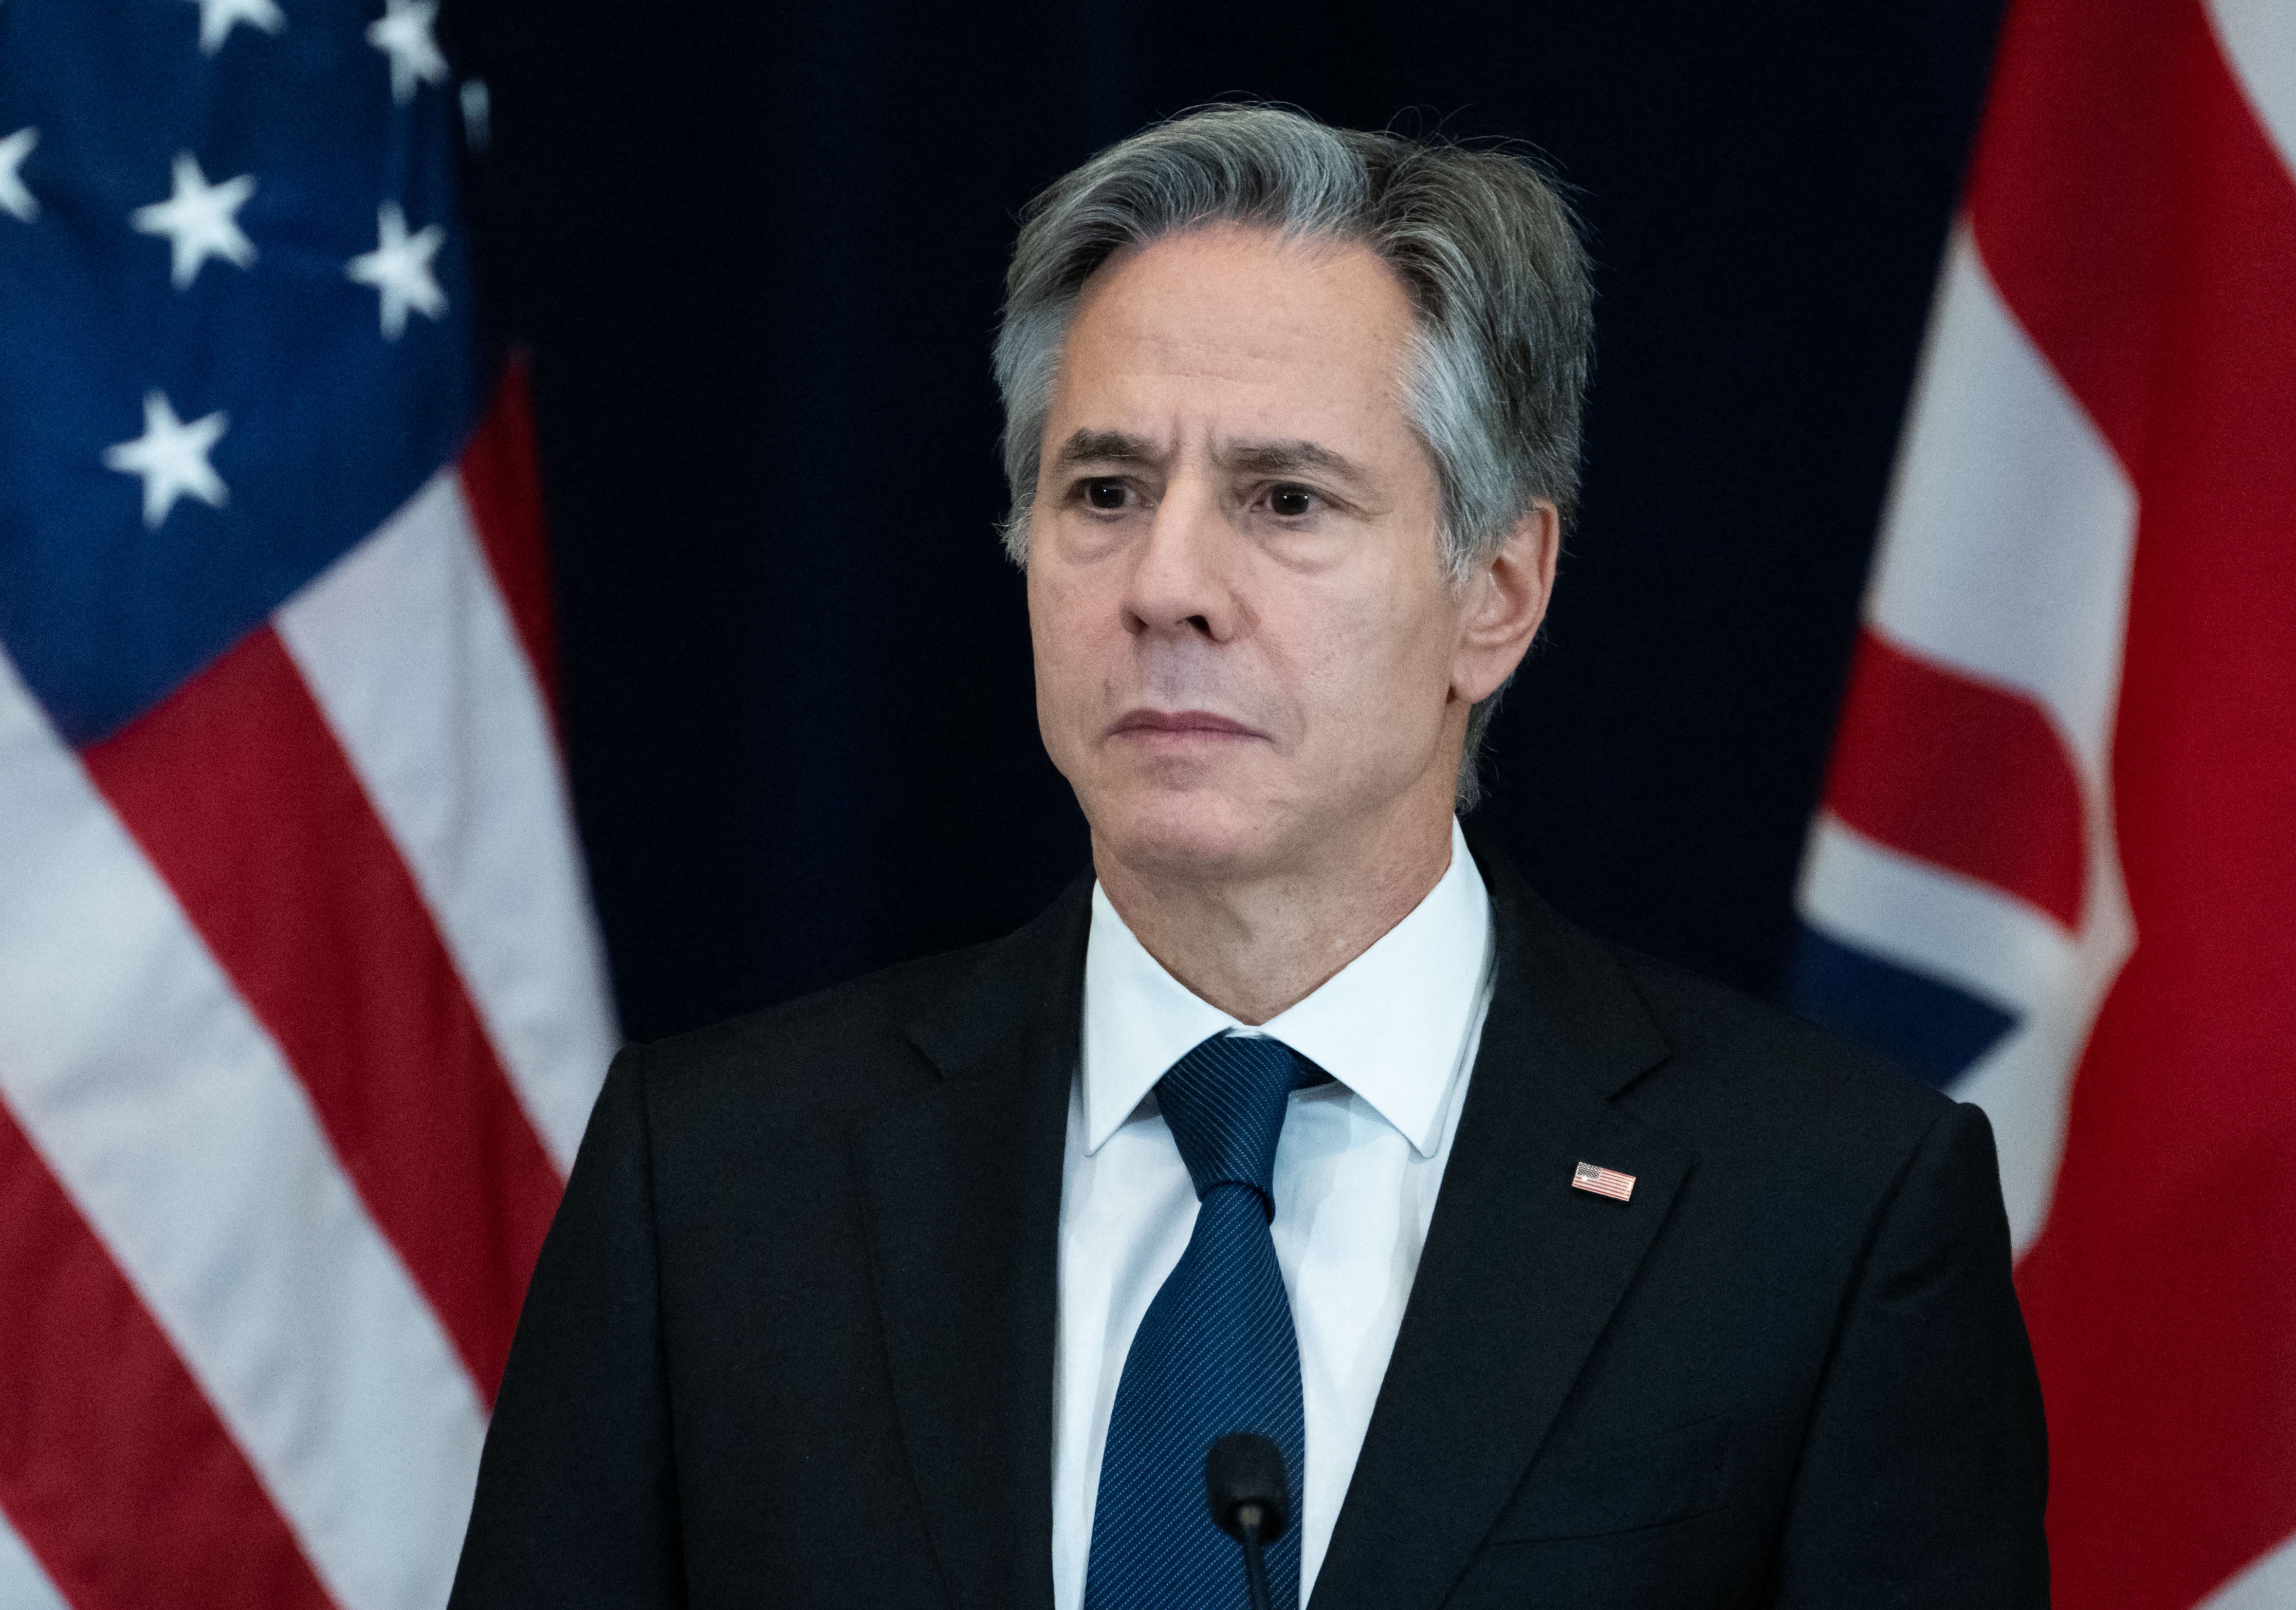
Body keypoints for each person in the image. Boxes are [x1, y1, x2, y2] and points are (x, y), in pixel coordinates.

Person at [448, 105, 2049, 1610]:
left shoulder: (1822, 1216)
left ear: (1496, 589)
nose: (1166, 584)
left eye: (1283, 497)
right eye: (1103, 490)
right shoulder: (721, 1179)